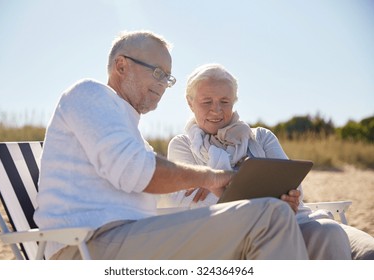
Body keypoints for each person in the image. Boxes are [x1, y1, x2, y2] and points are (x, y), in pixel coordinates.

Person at [33, 30, 309, 260]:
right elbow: (138, 171)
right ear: (121, 66)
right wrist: (212, 177)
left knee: (275, 220)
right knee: (269, 215)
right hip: (89, 247)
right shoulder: (88, 94)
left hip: (131, 240)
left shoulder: (128, 129)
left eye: (168, 78)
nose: (164, 84)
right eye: (157, 73)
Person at [160, 63, 374, 260]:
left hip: (282, 220)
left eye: (224, 102)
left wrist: (219, 189)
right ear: (190, 103)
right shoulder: (182, 145)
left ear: (234, 102)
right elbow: (190, 202)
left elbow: (293, 186)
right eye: (207, 102)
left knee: (329, 231)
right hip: (223, 234)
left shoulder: (261, 137)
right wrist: (265, 202)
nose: (216, 110)